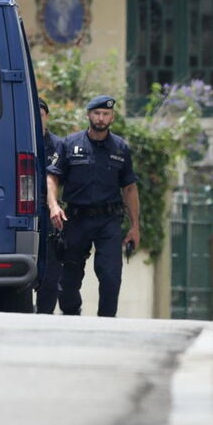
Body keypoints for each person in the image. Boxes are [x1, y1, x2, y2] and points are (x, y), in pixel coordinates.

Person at [46, 95, 140, 317]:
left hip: (108, 220)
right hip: (76, 219)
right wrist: (53, 205)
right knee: (68, 279)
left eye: (105, 114)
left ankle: (106, 321)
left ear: (112, 117)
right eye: (97, 113)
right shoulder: (69, 144)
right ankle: (71, 316)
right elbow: (53, 177)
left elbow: (129, 188)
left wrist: (135, 225)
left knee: (110, 275)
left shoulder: (120, 148)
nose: (101, 118)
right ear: (88, 115)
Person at [35, 97, 64, 314]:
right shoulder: (18, 140)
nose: (37, 117)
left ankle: (45, 314)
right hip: (24, 208)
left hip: (48, 210)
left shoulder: (57, 145)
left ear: (47, 116)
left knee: (52, 266)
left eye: (41, 113)